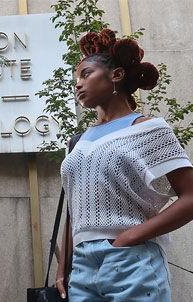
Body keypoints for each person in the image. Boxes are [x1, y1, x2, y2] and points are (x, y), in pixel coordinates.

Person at [55, 28, 193, 302]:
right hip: (81, 267)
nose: (77, 84)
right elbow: (75, 210)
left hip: (131, 257)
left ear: (116, 75)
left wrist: (129, 237)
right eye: (75, 79)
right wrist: (64, 268)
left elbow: (190, 197)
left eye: (85, 74)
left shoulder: (149, 129)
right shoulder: (77, 143)